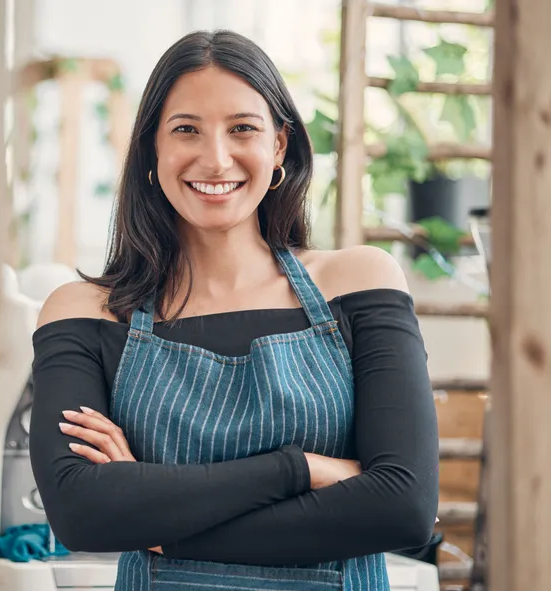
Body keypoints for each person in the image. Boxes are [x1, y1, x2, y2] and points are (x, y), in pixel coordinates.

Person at [29, 30, 439, 591]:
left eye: (242, 128)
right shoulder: (85, 312)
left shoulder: (360, 279)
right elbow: (82, 514)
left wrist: (158, 518)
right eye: (186, 130)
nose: (215, 157)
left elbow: (403, 508)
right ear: (153, 148)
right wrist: (302, 469)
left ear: (278, 145)